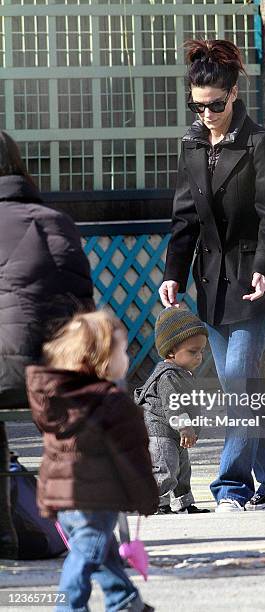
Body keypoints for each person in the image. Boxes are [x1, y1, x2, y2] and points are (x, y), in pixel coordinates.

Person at [159, 39, 265, 512]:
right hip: (211, 284)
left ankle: (230, 488)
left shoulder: (260, 143)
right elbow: (184, 219)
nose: (207, 114)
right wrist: (173, 274)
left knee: (238, 377)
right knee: (244, 387)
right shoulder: (192, 143)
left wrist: (262, 268)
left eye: (216, 104)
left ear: (235, 94)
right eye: (198, 106)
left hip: (255, 281)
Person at [0, 130, 94, 559]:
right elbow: (81, 310)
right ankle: (79, 535)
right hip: (50, 368)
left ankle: (7, 533)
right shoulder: (55, 222)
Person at [26, 310, 158, 612]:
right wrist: (148, 497)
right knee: (87, 554)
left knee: (104, 551)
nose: (126, 357)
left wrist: (47, 500)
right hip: (96, 498)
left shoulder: (58, 402)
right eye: (122, 350)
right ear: (100, 358)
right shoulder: (112, 402)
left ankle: (124, 600)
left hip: (65, 502)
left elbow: (52, 457)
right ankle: (69, 606)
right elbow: (132, 455)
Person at [135, 307, 210, 515]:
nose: (199, 357)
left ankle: (184, 503)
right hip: (162, 432)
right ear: (170, 351)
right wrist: (185, 427)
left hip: (176, 433)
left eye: (201, 351)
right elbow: (173, 404)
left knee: (183, 470)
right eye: (193, 352)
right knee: (165, 469)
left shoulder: (181, 373)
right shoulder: (168, 376)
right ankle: (156, 503)